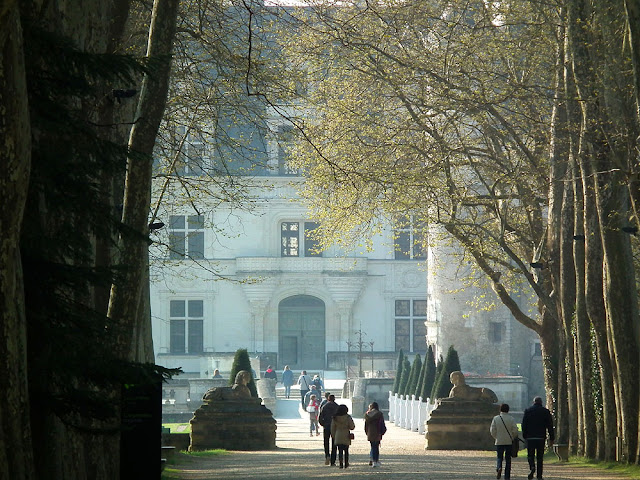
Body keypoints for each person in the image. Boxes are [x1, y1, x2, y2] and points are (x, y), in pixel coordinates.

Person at [522, 396, 555, 480]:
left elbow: (524, 425)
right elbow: (550, 426)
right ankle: (539, 476)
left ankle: (532, 467)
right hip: (541, 437)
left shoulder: (528, 411)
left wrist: (524, 435)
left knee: (530, 455)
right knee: (540, 457)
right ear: (541, 403)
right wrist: (552, 438)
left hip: (530, 437)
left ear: (534, 402)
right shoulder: (545, 412)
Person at [490, 403, 519, 480]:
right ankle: (507, 476)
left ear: (500, 409)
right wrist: (512, 437)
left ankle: (499, 467)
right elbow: (515, 430)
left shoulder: (496, 418)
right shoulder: (511, 419)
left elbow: (492, 430)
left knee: (499, 457)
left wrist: (496, 437)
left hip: (499, 441)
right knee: (508, 459)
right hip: (509, 441)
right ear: (508, 410)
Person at [331, 404, 355, 469]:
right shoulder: (348, 417)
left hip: (338, 434)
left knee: (340, 451)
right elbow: (352, 427)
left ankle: (341, 463)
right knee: (346, 451)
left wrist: (334, 436)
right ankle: (346, 463)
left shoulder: (335, 418)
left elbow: (332, 428)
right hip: (346, 434)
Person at [364, 401, 386, 468]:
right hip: (377, 432)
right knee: (376, 447)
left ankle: (373, 459)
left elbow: (366, 426)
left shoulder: (367, 414)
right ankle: (375, 461)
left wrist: (367, 432)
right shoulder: (379, 414)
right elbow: (382, 424)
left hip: (370, 432)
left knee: (372, 446)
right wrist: (383, 431)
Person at [319, 394, 339, 465]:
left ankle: (327, 455)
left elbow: (320, 417)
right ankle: (333, 461)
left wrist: (323, 424)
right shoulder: (337, 407)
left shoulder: (324, 406)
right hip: (335, 427)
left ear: (328, 399)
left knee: (326, 442)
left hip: (327, 426)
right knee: (334, 443)